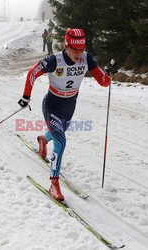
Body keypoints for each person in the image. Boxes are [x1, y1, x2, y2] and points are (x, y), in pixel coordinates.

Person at [18, 28, 118, 201]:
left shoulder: (87, 58)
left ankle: (43, 139)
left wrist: (109, 74)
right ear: (66, 46)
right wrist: (26, 97)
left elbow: (103, 82)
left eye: (82, 49)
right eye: (75, 50)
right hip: (51, 105)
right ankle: (53, 183)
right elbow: (32, 73)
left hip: (69, 106)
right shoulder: (54, 60)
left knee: (60, 132)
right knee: (61, 141)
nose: (79, 54)